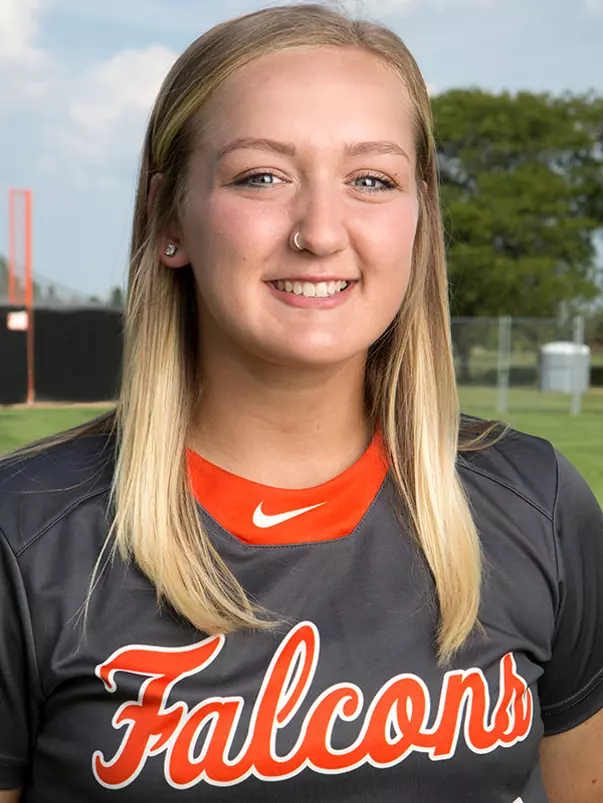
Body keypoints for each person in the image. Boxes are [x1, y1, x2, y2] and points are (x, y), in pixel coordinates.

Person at [0, 4, 601, 801]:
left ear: (419, 219)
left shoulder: (536, 501)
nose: (320, 232)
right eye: (261, 176)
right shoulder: (23, 533)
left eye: (370, 180)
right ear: (169, 216)